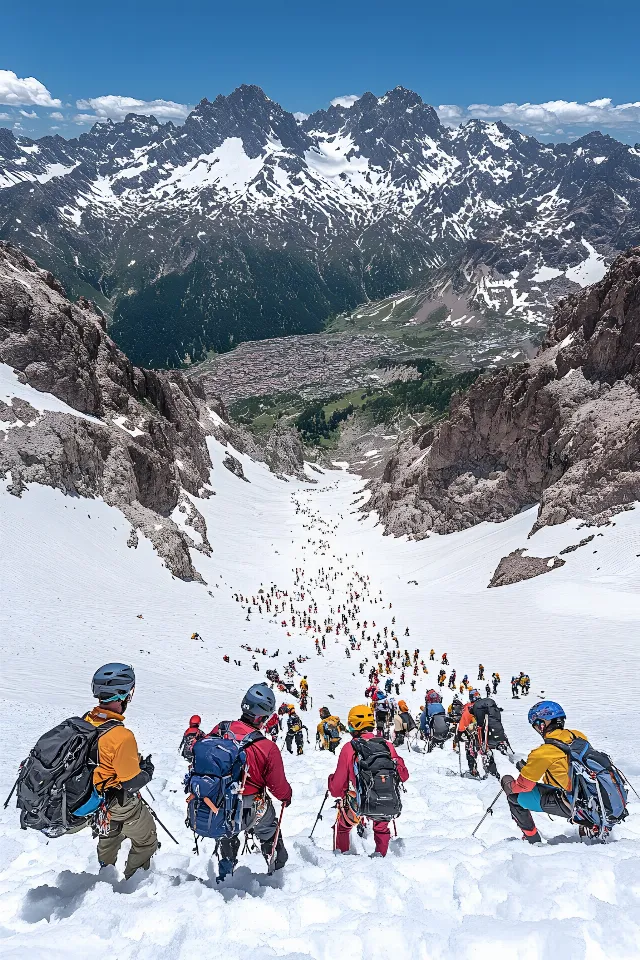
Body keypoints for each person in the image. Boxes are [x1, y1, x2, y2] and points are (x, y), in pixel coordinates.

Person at [208, 684, 292, 876]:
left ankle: (226, 870)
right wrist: (287, 796)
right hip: (250, 804)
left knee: (227, 831)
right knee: (269, 828)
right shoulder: (267, 747)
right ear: (262, 716)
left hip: (217, 801)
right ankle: (277, 869)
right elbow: (278, 787)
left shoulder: (221, 729)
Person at [85, 663, 157, 880]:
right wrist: (147, 770)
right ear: (124, 694)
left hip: (94, 798)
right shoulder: (121, 736)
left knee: (110, 834)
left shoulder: (86, 721)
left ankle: (105, 871)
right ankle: (135, 882)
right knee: (147, 840)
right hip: (117, 800)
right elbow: (131, 782)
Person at [328, 705, 409, 857]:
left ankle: (344, 858)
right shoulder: (386, 745)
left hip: (358, 801)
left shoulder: (349, 748)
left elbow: (338, 787)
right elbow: (403, 775)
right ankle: (381, 857)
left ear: (353, 725)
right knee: (381, 827)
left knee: (343, 826)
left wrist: (331, 782)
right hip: (385, 798)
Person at [501, 701, 586, 843]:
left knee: (514, 797)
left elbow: (523, 787)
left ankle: (532, 839)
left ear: (542, 724)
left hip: (571, 803)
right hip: (593, 799)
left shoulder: (542, 753)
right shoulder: (578, 736)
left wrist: (509, 785)